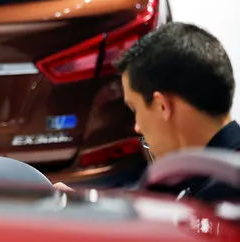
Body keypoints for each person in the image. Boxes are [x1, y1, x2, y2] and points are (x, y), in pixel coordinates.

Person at [56, 22, 240, 201]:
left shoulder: (221, 203)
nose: (137, 127)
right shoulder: (203, 180)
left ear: (162, 106)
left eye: (135, 108)